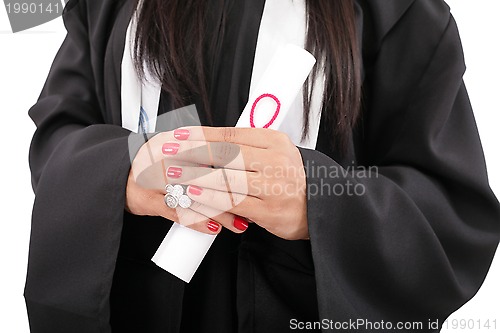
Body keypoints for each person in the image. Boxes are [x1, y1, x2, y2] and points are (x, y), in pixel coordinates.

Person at [25, 0, 500, 332]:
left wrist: (316, 199)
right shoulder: (108, 4)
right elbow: (57, 137)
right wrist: (125, 173)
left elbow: (451, 210)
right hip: (137, 309)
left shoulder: (398, 10)